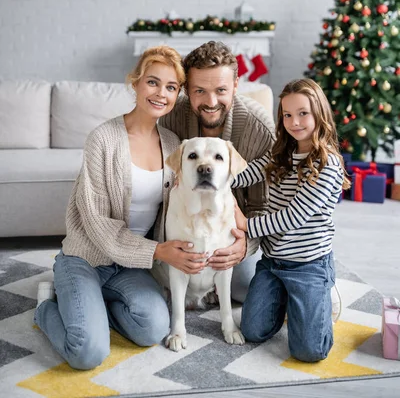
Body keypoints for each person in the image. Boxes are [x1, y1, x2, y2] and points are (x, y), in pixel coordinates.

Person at [34, 46, 208, 371]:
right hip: (86, 258)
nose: (161, 93)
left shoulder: (173, 146)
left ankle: (92, 307)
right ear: (136, 83)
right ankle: (47, 306)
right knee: (87, 352)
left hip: (130, 266)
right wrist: (159, 251)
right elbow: (98, 223)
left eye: (171, 87)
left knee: (153, 329)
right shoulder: (102, 139)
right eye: (153, 82)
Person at [232, 78, 350, 363]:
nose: (294, 122)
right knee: (252, 331)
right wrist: (212, 180)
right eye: (287, 115)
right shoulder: (280, 154)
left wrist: (245, 223)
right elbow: (244, 175)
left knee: (310, 352)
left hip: (309, 265)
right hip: (273, 263)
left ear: (319, 113)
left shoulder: (327, 163)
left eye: (303, 113)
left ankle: (320, 296)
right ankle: (289, 301)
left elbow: (293, 217)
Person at [159, 40, 276, 302]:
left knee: (245, 291)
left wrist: (245, 245)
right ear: (187, 89)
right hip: (184, 227)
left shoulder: (259, 129)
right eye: (199, 91)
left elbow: (267, 204)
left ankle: (312, 285)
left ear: (235, 86)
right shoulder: (170, 120)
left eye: (221, 90)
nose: (211, 102)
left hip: (231, 233)